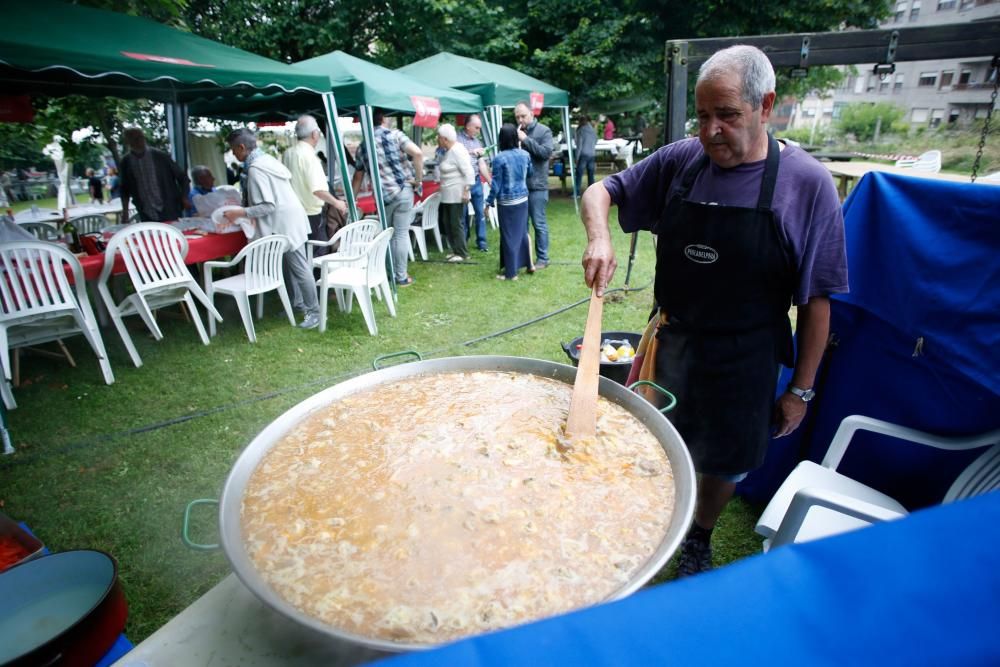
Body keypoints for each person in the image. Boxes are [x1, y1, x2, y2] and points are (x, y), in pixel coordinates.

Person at [580, 45, 848, 577]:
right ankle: (641, 522)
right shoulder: (682, 162)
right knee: (648, 441)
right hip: (673, 339)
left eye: (728, 115)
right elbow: (600, 191)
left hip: (748, 353)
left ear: (766, 106)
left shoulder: (806, 184)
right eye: (702, 116)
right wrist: (599, 237)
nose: (710, 131)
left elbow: (817, 301)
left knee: (726, 458)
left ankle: (699, 536)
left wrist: (801, 390)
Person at [224, 128, 321, 330]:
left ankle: (315, 313)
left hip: (284, 223)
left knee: (300, 268)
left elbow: (267, 205)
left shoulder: (256, 168)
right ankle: (297, 305)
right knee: (289, 267)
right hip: (290, 218)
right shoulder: (267, 160)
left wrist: (239, 213)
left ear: (242, 147)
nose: (233, 154)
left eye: (234, 150)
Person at [351, 110, 424, 287]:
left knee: (387, 235)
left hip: (383, 196)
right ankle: (400, 276)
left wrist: (352, 200)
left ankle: (384, 273)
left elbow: (358, 177)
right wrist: (418, 180)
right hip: (404, 189)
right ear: (384, 119)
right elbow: (418, 153)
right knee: (400, 233)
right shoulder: (396, 135)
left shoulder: (363, 145)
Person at [283, 115, 348, 256]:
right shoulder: (309, 156)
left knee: (302, 253)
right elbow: (318, 189)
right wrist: (337, 203)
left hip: (293, 213)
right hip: (311, 214)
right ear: (314, 134)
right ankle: (317, 278)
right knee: (317, 253)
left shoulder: (288, 153)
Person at [485, 124, 532, 281]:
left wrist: (489, 202)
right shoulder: (525, 155)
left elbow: (496, 184)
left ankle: (511, 274)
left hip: (507, 202)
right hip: (523, 199)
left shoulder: (499, 158)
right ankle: (528, 263)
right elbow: (530, 173)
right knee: (522, 232)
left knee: (509, 236)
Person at [118, 128, 190, 223]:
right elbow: (124, 189)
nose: (139, 140)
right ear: (128, 141)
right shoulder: (126, 162)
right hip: (146, 211)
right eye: (135, 138)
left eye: (141, 137)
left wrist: (184, 197)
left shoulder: (160, 156)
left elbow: (183, 177)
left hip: (169, 208)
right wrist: (125, 212)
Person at [514, 102, 553, 269]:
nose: (520, 119)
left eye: (523, 116)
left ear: (531, 113)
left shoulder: (544, 131)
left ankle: (543, 259)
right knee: (523, 224)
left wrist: (525, 140)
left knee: (539, 223)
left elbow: (545, 153)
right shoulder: (517, 132)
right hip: (520, 185)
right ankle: (525, 259)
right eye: (517, 117)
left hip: (537, 185)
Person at [435, 124, 475, 262]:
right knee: (447, 222)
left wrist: (466, 191)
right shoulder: (449, 150)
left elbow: (469, 172)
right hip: (447, 194)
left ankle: (462, 253)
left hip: (456, 194)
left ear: (445, 139)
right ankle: (455, 250)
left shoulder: (457, 150)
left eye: (439, 137)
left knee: (456, 223)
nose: (437, 140)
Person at [457, 115, 490, 252]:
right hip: (462, 183)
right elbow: (456, 155)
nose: (478, 130)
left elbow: (481, 163)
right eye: (476, 128)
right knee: (463, 215)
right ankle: (464, 241)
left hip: (476, 181)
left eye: (479, 128)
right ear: (468, 126)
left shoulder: (477, 141)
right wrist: (472, 152)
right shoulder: (457, 139)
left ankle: (482, 243)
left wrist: (489, 180)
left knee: (480, 213)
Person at [574, 115, 597, 196]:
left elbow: (579, 145)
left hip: (583, 154)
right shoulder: (593, 130)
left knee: (579, 174)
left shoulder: (581, 130)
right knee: (591, 174)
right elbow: (595, 142)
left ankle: (576, 192)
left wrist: (576, 157)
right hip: (592, 154)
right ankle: (592, 192)